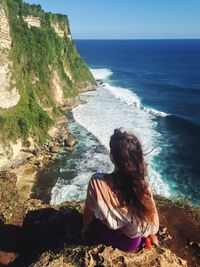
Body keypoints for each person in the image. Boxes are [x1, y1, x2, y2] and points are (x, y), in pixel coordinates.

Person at [81, 128, 159, 252]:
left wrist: (85, 228)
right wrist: (149, 232)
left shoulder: (97, 182)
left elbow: (89, 212)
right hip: (132, 243)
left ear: (112, 157)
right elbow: (153, 222)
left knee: (96, 215)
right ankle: (148, 238)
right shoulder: (143, 187)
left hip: (106, 238)